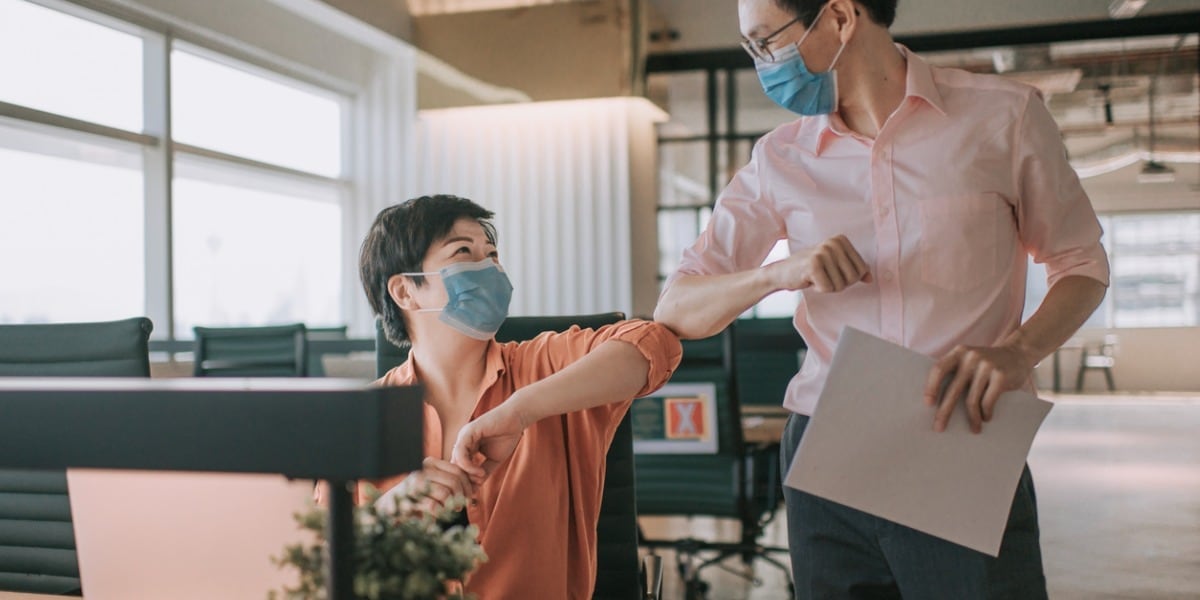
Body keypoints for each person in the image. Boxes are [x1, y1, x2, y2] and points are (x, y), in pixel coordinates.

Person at [653, 0, 1109, 598]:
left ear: (840, 18)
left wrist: (1020, 351)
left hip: (961, 438)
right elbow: (676, 309)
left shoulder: (1004, 116)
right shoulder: (779, 158)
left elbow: (1081, 264)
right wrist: (780, 273)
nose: (761, 63)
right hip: (827, 450)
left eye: (767, 41)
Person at [358, 194, 681, 598]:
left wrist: (522, 409)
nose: (490, 268)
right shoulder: (361, 417)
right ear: (405, 291)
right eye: (463, 253)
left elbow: (653, 344)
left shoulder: (545, 366)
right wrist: (389, 512)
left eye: (492, 255)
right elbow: (318, 558)